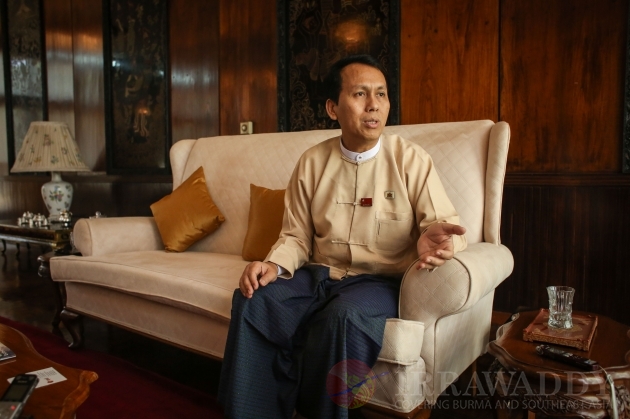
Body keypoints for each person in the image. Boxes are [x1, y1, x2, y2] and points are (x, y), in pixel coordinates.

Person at [218, 54, 467, 419]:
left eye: (381, 94)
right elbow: (296, 236)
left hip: (378, 282)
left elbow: (445, 226)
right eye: (360, 94)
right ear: (332, 108)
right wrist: (274, 265)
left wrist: (436, 239)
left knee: (343, 318)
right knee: (253, 300)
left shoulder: (411, 160)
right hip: (318, 274)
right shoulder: (311, 162)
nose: (374, 105)